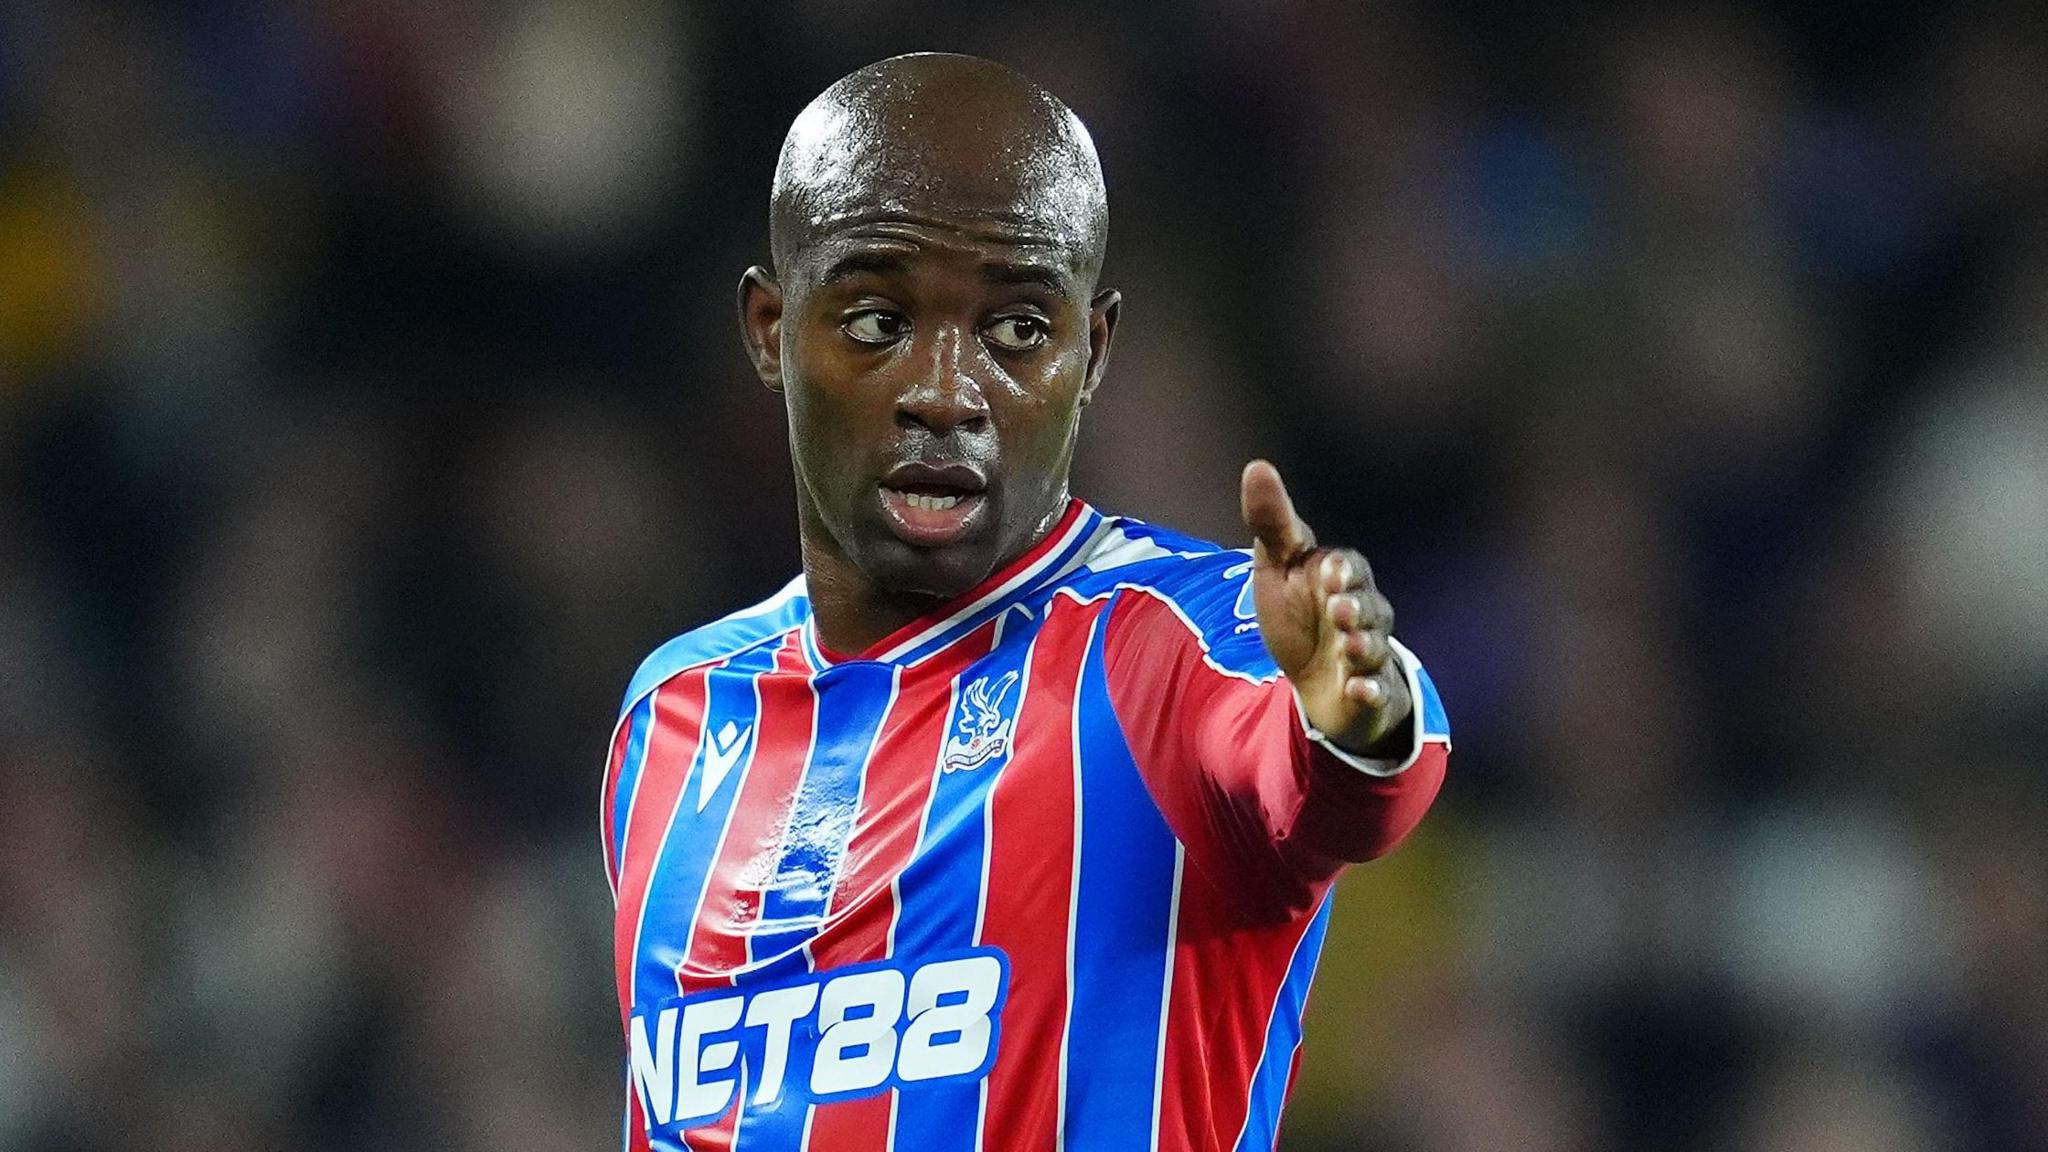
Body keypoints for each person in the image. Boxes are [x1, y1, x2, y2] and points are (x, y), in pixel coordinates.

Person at [601, 53, 1450, 1152]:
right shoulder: (672, 717)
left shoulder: (1173, 647)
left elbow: (1336, 783)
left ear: (1089, 354)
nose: (944, 391)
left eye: (1014, 331)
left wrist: (1353, 713)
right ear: (770, 328)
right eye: (874, 322)